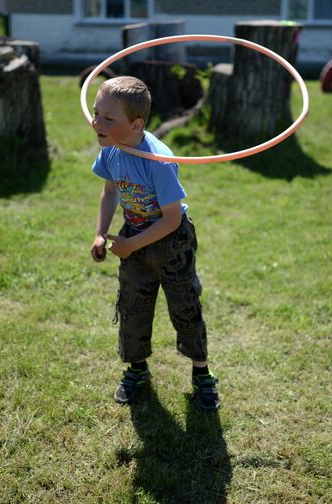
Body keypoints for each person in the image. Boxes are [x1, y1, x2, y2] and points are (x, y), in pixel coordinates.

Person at [90, 76, 220, 411]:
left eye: (107, 118)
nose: (95, 122)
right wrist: (100, 233)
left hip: (171, 243)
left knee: (185, 306)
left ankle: (202, 373)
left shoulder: (158, 162)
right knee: (132, 306)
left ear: (137, 124)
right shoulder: (111, 151)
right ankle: (137, 370)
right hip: (134, 234)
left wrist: (131, 246)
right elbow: (109, 193)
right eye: (95, 113)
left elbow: (171, 219)